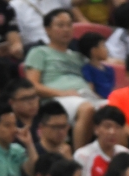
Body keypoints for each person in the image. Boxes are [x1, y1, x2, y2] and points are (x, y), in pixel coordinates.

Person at [24, 9, 103, 150]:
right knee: (87, 109)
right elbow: (32, 85)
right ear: (47, 30)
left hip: (84, 95)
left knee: (115, 109)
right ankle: (79, 159)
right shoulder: (39, 52)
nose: (66, 29)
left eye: (69, 25)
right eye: (60, 25)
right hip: (58, 99)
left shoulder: (79, 57)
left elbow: (103, 63)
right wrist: (62, 94)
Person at [73, 106, 129, 176]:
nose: (112, 132)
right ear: (96, 129)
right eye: (107, 127)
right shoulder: (82, 155)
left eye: (117, 127)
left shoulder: (127, 154)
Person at [79, 32, 116, 100]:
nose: (107, 50)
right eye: (103, 46)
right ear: (94, 51)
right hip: (96, 100)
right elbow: (91, 89)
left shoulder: (110, 69)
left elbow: (113, 89)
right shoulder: (87, 69)